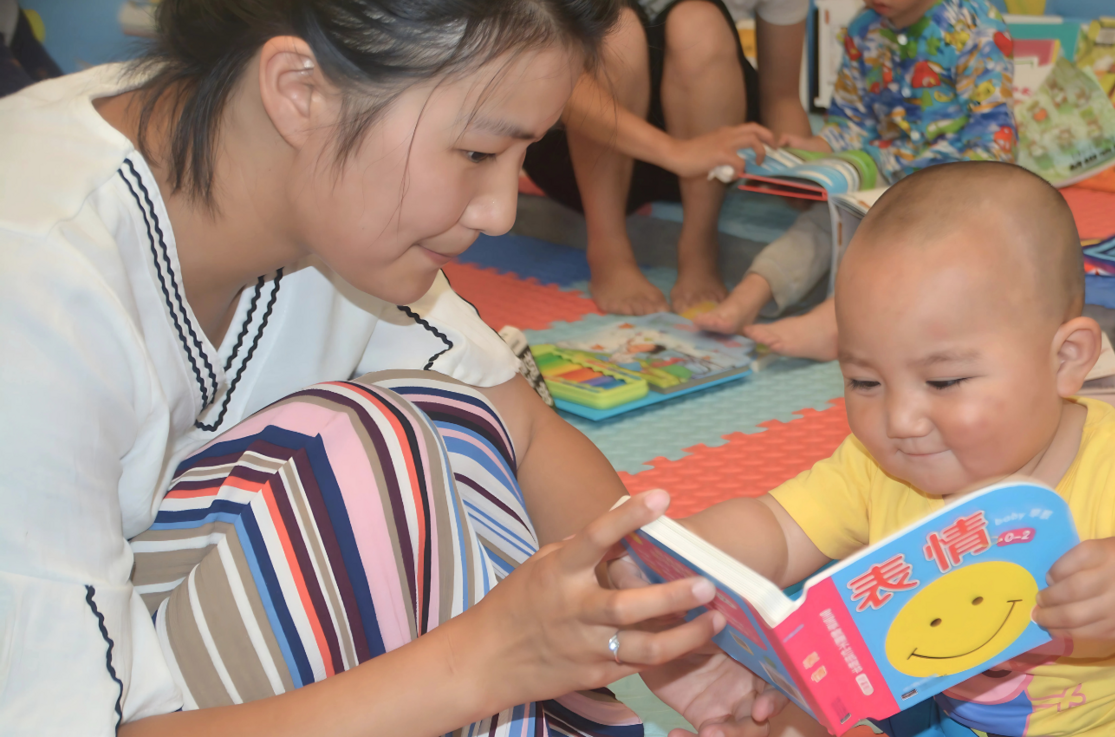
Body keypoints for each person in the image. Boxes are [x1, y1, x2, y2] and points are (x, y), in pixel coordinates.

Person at [0, 1, 789, 734]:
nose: (499, 210)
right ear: (298, 91)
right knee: (366, 445)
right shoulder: (36, 279)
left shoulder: (311, 200)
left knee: (459, 421)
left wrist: (664, 618)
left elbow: (523, 426)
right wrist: (488, 657)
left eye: (519, 155)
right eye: (477, 151)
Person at [620, 162, 1115, 737]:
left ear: (1065, 360)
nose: (902, 418)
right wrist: (680, 559)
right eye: (864, 380)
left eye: (944, 380)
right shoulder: (882, 464)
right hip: (937, 710)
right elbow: (777, 524)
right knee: (804, 692)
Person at [694, 0, 1017, 362]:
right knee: (822, 223)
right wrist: (813, 147)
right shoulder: (864, 28)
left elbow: (993, 131)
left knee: (907, 246)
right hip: (885, 168)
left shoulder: (974, 23)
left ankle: (831, 325)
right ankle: (747, 297)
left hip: (958, 176)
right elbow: (850, 123)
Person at [523, 0, 811, 316]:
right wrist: (676, 152)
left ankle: (699, 248)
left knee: (698, 22)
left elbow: (782, 97)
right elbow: (553, 76)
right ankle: (609, 250)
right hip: (575, 153)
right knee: (617, 27)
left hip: (707, 159)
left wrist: (804, 170)